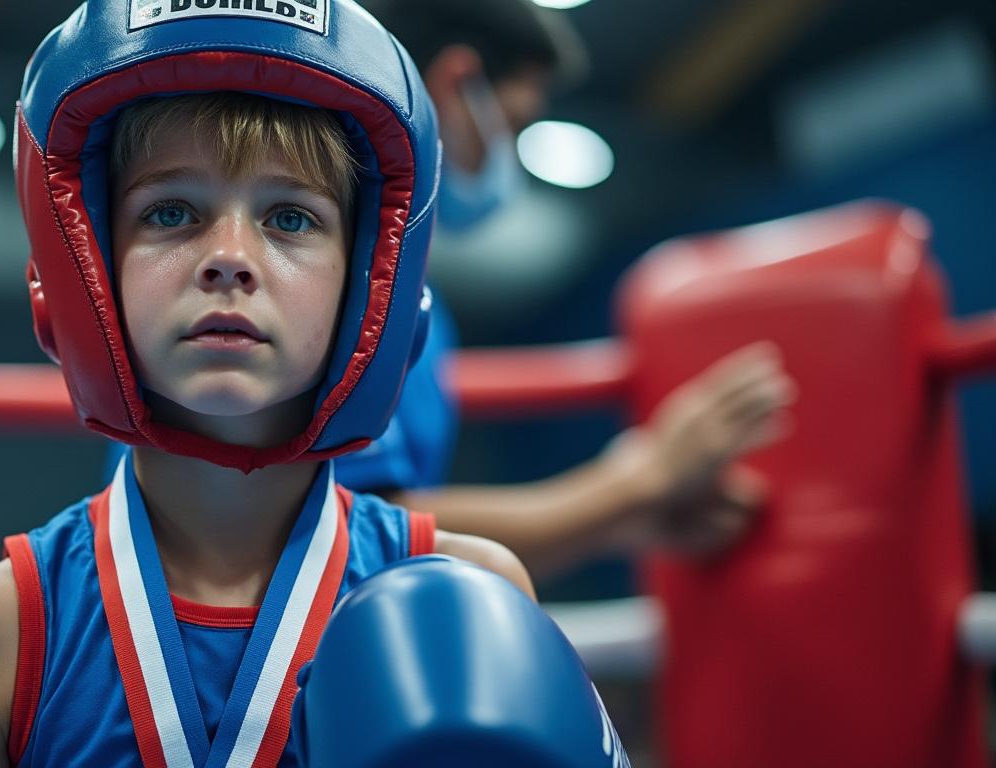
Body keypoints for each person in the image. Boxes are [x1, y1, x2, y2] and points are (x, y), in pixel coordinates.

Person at [0, 2, 589, 765]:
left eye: (290, 218)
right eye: (171, 212)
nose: (228, 257)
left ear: (369, 284)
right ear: (87, 264)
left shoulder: (474, 600)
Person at [339, 0, 796, 579]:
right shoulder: (354, 288)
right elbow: (360, 533)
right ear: (458, 84)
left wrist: (613, 517)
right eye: (515, 125)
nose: (505, 159)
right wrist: (634, 481)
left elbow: (389, 544)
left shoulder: (403, 292)